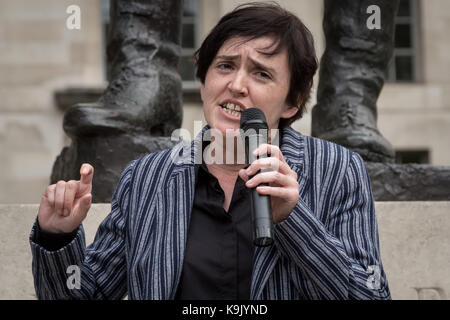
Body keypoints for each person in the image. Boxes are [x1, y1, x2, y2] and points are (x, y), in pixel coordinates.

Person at [30, 2, 390, 300]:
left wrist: (292, 219)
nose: (236, 85)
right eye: (225, 66)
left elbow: (370, 295)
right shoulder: (146, 178)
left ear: (293, 102)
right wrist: (56, 237)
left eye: (261, 74)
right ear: (204, 81)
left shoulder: (337, 170)